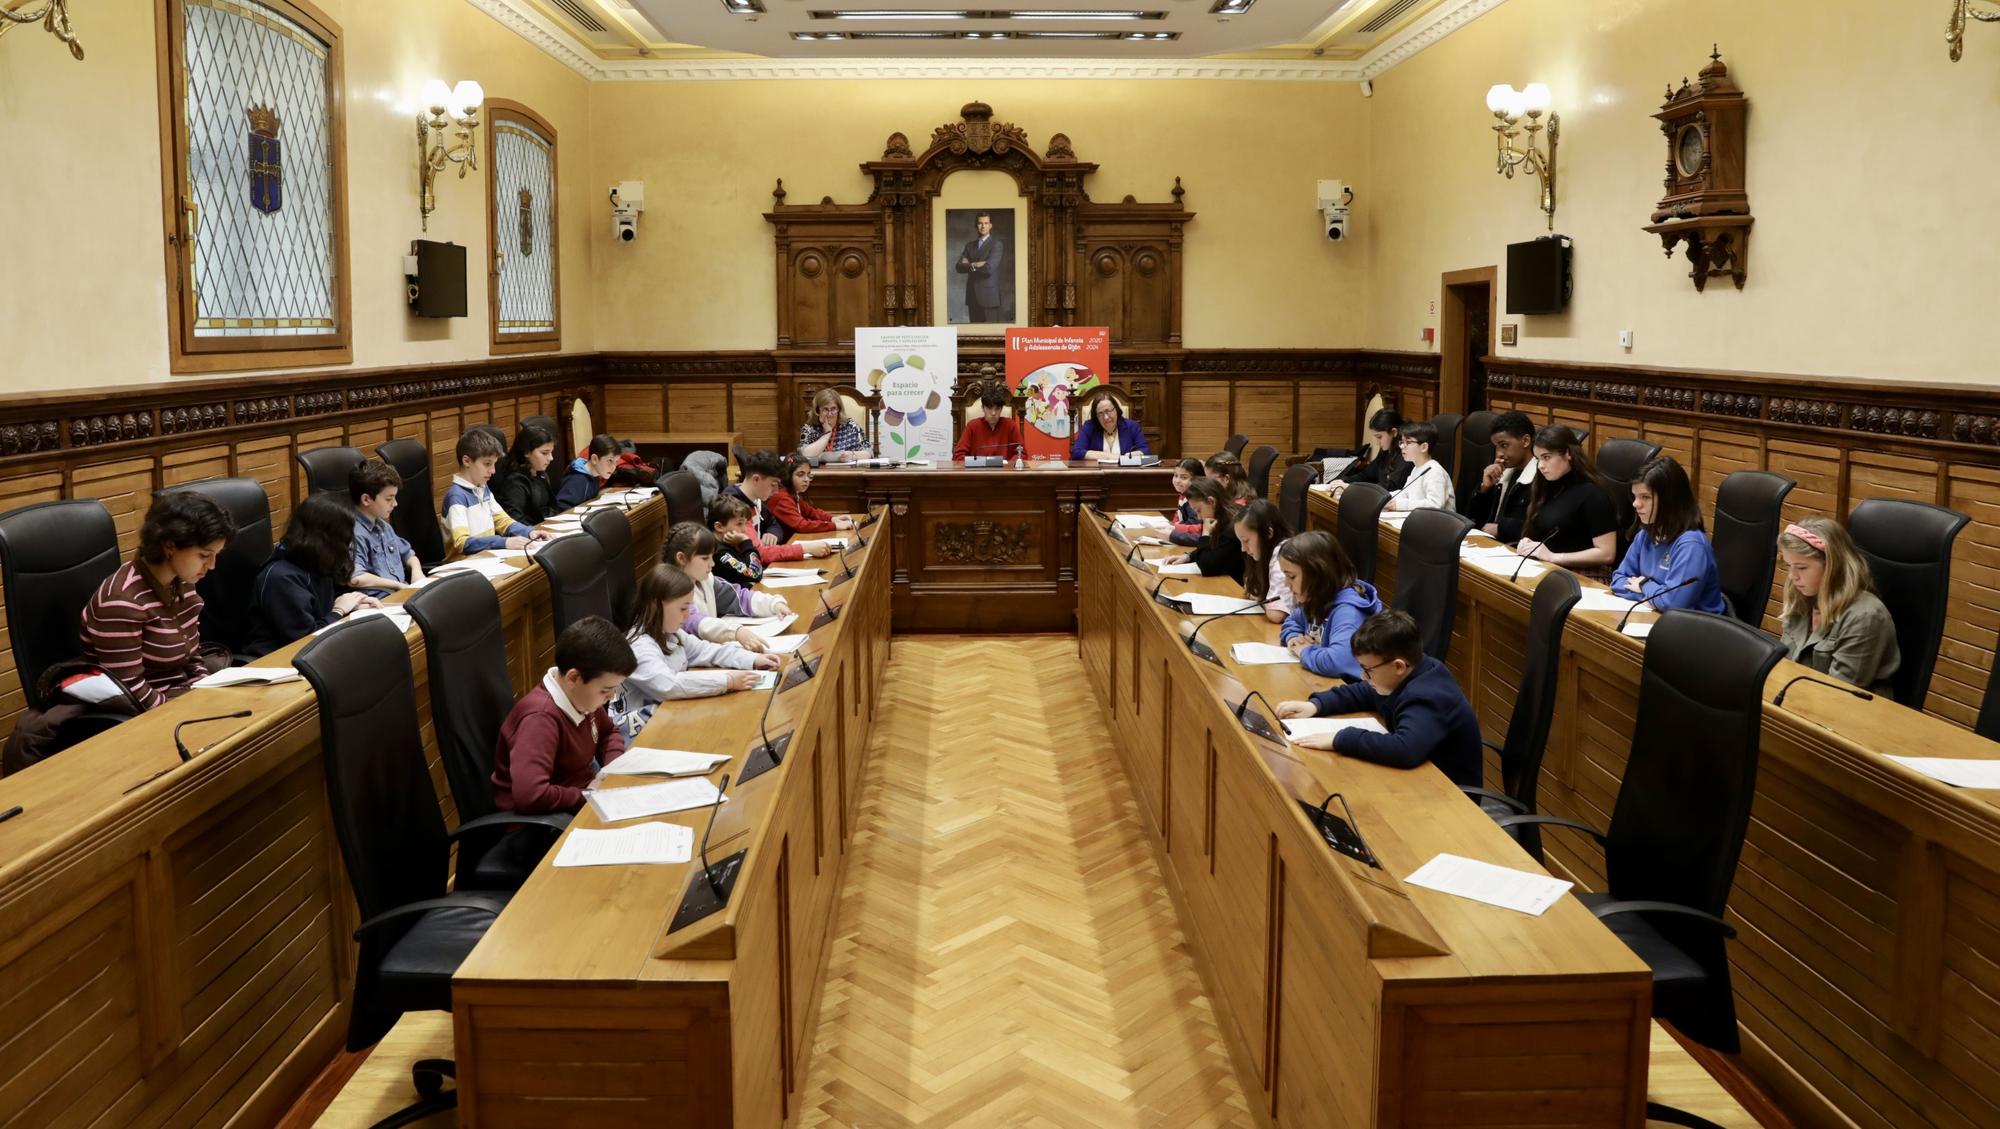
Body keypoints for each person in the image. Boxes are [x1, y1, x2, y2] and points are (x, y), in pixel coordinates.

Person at [1275, 610, 1483, 789]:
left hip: (1450, 796)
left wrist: (1340, 738)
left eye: (1368, 670)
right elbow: (1365, 691)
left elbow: (1405, 749)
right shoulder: (1403, 674)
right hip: (1418, 779)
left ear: (1398, 666)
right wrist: (1315, 705)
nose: (1364, 676)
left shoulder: (1427, 696)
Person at [78, 491, 236, 710]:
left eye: (216, 555)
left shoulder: (182, 583)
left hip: (180, 697)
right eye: (203, 555)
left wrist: (207, 694)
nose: (212, 565)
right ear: (169, 546)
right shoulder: (121, 602)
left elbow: (192, 660)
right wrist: (191, 709)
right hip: (142, 715)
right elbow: (130, 690)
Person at [611, 564, 784, 740]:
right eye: (682, 608)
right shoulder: (639, 646)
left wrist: (753, 659)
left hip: (667, 719)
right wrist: (727, 681)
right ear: (657, 605)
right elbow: (669, 685)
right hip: (638, 738)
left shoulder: (671, 633)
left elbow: (707, 651)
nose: (687, 616)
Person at [491, 615, 635, 815]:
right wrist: (588, 794)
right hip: (544, 827)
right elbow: (531, 795)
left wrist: (612, 771)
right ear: (573, 678)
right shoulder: (539, 719)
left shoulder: (582, 699)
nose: (611, 696)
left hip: (579, 803)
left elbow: (609, 732)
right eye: (605, 690)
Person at [244, 493, 383, 659]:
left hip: (312, 656)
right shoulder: (281, 578)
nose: (349, 543)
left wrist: (354, 605)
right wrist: (339, 611)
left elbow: (322, 608)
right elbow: (306, 641)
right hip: (277, 664)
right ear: (328, 538)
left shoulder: (316, 562)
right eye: (345, 536)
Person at [1777, 517, 1901, 694]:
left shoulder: (1865, 616)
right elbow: (1786, 666)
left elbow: (1838, 695)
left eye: (1802, 568)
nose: (1793, 576)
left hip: (1853, 714)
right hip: (1799, 701)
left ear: (1833, 567)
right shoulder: (1801, 597)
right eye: (1789, 566)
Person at [1609, 456, 1726, 614]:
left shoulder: (1691, 545)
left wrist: (1644, 584)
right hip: (1655, 619)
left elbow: (1673, 604)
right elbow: (1618, 579)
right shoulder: (1645, 534)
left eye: (1645, 497)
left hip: (1697, 632)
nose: (1635, 504)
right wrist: (1650, 600)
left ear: (1670, 500)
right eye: (1635, 496)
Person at [662, 521, 792, 653]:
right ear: (682, 558)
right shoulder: (672, 591)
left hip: (713, 654)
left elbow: (739, 598)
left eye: (712, 557)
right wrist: (736, 632)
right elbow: (694, 622)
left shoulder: (705, 580)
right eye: (705, 558)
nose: (712, 564)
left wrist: (773, 604)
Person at [1276, 530, 1383, 680]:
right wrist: (1293, 638)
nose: (1287, 584)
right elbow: (1292, 620)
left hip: (1350, 692)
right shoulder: (1317, 598)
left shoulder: (1348, 612)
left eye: (1291, 576)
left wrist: (1305, 651)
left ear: (1317, 574)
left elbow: (1338, 662)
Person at [1515, 425, 1619, 578]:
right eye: (1538, 459)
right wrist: (1528, 544)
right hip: (1548, 568)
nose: (1541, 466)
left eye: (1546, 457)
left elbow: (1606, 553)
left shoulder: (1593, 493)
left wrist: (1553, 557)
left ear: (1568, 454)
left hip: (1585, 576)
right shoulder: (1545, 485)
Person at [444, 427, 547, 557]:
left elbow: (502, 521)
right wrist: (504, 542)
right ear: (467, 461)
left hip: (486, 559)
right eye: (487, 464)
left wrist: (528, 532)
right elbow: (462, 543)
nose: (493, 471)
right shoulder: (457, 496)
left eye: (494, 464)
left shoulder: (483, 488)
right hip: (463, 567)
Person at [725, 450, 832, 560]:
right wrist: (805, 548)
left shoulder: (756, 499)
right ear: (756, 479)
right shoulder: (735, 507)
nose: (776, 491)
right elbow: (757, 553)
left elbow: (774, 523)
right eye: (773, 484)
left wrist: (773, 533)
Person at [347, 458, 424, 596]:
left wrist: (417, 572)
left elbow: (408, 554)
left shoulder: (383, 526)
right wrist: (398, 585)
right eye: (389, 499)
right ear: (366, 499)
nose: (395, 504)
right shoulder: (355, 533)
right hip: (380, 602)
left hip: (400, 594)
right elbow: (355, 578)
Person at [1465, 411, 1536, 542]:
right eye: (1496, 447)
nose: (1499, 453)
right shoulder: (1503, 475)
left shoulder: (1540, 478)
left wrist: (1501, 528)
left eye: (1504, 445)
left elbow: (1539, 529)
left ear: (1525, 441)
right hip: (1490, 544)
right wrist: (1484, 490)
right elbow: (1473, 520)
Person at [1159, 477, 1244, 581]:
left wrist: (1205, 533)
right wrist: (1188, 557)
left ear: (1211, 501)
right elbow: (1214, 548)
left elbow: (1206, 567)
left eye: (1198, 510)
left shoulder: (1233, 525)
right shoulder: (1221, 516)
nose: (1198, 517)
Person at [1234, 498, 1296, 622]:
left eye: (1246, 541)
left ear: (1268, 533)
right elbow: (1251, 590)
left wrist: (1261, 598)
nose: (1242, 549)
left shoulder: (1283, 556)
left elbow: (1276, 614)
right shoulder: (1264, 552)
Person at [768, 452, 855, 540]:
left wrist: (832, 519)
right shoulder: (781, 498)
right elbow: (802, 525)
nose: (806, 480)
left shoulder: (793, 494)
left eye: (808, 475)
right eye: (801, 475)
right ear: (788, 476)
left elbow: (812, 512)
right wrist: (835, 526)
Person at [492, 422, 559, 526]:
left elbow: (551, 507)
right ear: (527, 452)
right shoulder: (514, 483)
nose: (551, 458)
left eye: (551, 452)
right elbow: (515, 521)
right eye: (545, 453)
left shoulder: (541, 474)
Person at [1383, 420, 1455, 512]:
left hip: (1439, 523)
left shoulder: (1435, 472)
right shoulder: (1416, 468)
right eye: (1401, 442)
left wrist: (1401, 505)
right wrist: (1385, 498)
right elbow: (1405, 493)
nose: (1402, 446)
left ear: (1424, 447)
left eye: (1408, 442)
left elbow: (1435, 504)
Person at [1339, 408, 1411, 490]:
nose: (1377, 442)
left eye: (1379, 437)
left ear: (1394, 432)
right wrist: (1344, 481)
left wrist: (1353, 487)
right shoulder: (1385, 451)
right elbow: (1367, 475)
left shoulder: (1406, 453)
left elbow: (1392, 486)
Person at [954, 211, 1005, 322]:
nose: (983, 226)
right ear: (976, 225)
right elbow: (958, 267)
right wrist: (976, 264)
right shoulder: (969, 245)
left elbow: (988, 269)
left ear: (990, 225)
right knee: (974, 332)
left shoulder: (996, 245)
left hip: (989, 297)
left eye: (986, 223)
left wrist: (969, 264)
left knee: (991, 334)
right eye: (980, 223)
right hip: (972, 296)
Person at [1069, 393, 1150, 461]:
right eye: (1100, 414)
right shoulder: (1089, 427)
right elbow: (1076, 452)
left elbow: (1146, 451)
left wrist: (1128, 457)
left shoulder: (1132, 426)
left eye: (1108, 411)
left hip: (1126, 475)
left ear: (1116, 410)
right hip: (1097, 476)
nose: (1106, 417)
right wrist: (1109, 456)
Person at [954, 385, 1025, 461]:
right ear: (982, 408)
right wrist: (974, 463)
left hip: (1005, 471)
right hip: (977, 470)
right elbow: (959, 455)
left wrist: (1009, 465)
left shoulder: (1010, 425)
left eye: (997, 409)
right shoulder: (972, 426)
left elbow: (1022, 453)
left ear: (1001, 409)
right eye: (989, 408)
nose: (993, 413)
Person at [800, 387, 870, 462]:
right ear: (817, 411)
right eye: (825, 409)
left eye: (833, 409)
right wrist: (827, 433)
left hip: (847, 472)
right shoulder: (809, 427)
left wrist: (852, 455)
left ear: (839, 410)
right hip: (817, 473)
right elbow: (805, 455)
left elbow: (868, 453)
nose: (830, 414)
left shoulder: (851, 426)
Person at [555, 433, 622, 512]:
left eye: (616, 461)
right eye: (610, 460)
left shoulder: (594, 474)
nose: (614, 467)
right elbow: (561, 506)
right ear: (594, 459)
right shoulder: (577, 480)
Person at [1168, 458, 1205, 546]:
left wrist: (1173, 528)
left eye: (1184, 477)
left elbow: (1194, 524)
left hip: (1190, 541)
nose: (1177, 481)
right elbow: (1178, 517)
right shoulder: (1184, 494)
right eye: (1175, 475)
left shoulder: (1196, 499)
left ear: (1197, 479)